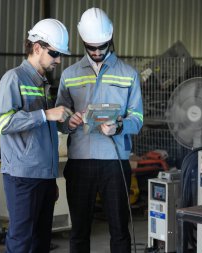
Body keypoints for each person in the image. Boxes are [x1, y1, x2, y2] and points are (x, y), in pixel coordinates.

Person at [55, 7, 143, 253]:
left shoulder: (128, 75)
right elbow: (59, 117)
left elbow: (137, 118)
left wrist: (119, 126)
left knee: (119, 232)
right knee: (79, 232)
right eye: (90, 47)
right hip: (80, 162)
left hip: (115, 163)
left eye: (101, 47)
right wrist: (67, 123)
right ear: (83, 42)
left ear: (111, 39)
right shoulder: (69, 75)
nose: (96, 52)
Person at [0, 19, 72, 252]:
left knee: (40, 241)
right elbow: (2, 123)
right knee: (21, 240)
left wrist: (67, 123)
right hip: (22, 177)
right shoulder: (14, 78)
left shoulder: (42, 83)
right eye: (55, 53)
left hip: (43, 177)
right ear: (37, 48)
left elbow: (43, 128)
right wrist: (45, 114)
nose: (58, 59)